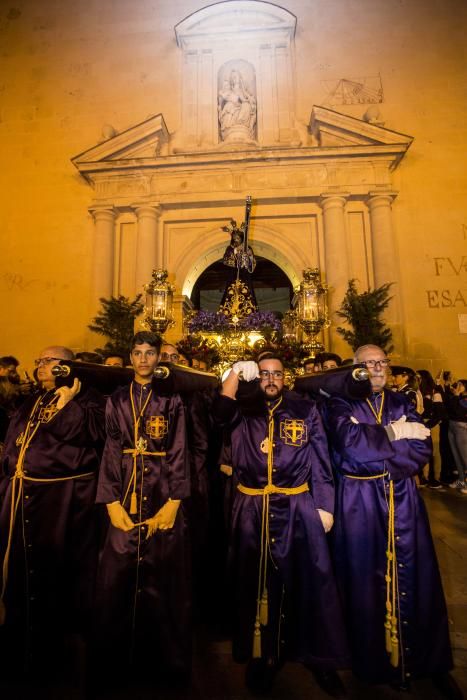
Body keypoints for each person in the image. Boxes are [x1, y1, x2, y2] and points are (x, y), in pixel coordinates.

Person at [322, 345, 459, 698]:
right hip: (359, 503)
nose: (378, 368)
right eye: (369, 363)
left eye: (382, 362)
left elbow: (421, 451)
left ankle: (429, 661)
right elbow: (350, 447)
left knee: (419, 578)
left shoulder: (401, 403)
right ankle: (371, 663)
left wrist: (380, 455)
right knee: (363, 579)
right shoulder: (340, 404)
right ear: (356, 369)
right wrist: (397, 436)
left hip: (403, 501)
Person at [212, 353, 349, 696]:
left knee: (311, 583)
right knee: (256, 584)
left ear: (285, 377)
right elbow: (218, 415)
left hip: (299, 506)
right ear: (255, 378)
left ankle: (319, 658)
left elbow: (320, 459)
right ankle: (262, 655)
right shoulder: (242, 409)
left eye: (276, 374)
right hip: (252, 506)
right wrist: (231, 375)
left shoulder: (305, 409)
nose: (270, 379)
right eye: (263, 374)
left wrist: (324, 505)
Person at [0, 345, 106, 679]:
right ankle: (20, 642)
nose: (41, 366)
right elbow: (15, 440)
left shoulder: (89, 400)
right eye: (39, 361)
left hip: (62, 500)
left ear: (68, 366)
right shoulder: (33, 399)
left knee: (55, 573)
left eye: (48, 361)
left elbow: (89, 433)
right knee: (19, 571)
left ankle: (56, 653)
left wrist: (66, 403)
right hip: (21, 494)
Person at [93, 331, 191, 683]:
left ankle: (164, 661)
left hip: (163, 490)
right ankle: (116, 659)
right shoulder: (117, 399)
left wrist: (174, 502)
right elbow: (110, 450)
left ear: (158, 358)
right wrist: (110, 502)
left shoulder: (172, 399)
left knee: (163, 576)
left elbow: (180, 450)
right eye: (138, 353)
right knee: (115, 576)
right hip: (124, 491)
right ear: (130, 357)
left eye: (151, 353)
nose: (144, 359)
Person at [445, 379, 467, 494]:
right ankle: (462, 480)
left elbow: (458, 411)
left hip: (461, 427)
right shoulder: (457, 397)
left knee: (464, 456)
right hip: (452, 425)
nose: (457, 386)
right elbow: (449, 408)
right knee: (456, 456)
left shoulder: (464, 398)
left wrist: (456, 395)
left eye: (460, 385)